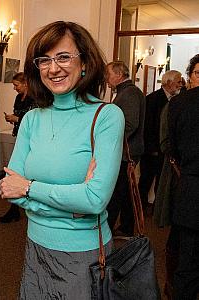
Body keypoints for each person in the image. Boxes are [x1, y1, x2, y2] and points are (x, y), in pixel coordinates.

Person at [0, 21, 124, 298]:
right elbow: (9, 189)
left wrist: (30, 188)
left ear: (85, 64)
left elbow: (95, 199)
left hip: (83, 254)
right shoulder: (31, 119)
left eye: (63, 57)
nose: (53, 68)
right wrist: (74, 206)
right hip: (35, 245)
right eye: (44, 60)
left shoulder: (106, 116)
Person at [168, 53, 199, 300]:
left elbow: (173, 148)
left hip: (190, 189)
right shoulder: (181, 103)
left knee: (187, 261)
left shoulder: (179, 103)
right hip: (191, 188)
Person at [105, 61, 145, 237]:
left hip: (126, 152)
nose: (106, 79)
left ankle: (110, 228)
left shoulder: (128, 93)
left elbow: (130, 124)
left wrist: (109, 141)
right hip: (126, 150)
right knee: (126, 191)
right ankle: (126, 227)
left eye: (108, 74)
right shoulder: (127, 91)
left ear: (119, 74)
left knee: (118, 192)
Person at [139, 70, 182, 215]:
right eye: (178, 82)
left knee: (161, 181)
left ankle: (158, 209)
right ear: (169, 83)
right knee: (146, 180)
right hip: (152, 150)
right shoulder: (152, 99)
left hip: (165, 149)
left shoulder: (177, 100)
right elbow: (148, 126)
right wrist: (152, 148)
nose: (180, 85)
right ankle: (141, 209)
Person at [0, 72, 36, 223]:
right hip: (19, 136)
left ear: (26, 83)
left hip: (31, 139)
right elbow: (19, 116)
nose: (14, 88)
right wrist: (12, 119)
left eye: (16, 85)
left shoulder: (35, 99)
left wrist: (17, 118)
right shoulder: (17, 98)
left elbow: (33, 119)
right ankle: (14, 208)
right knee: (16, 171)